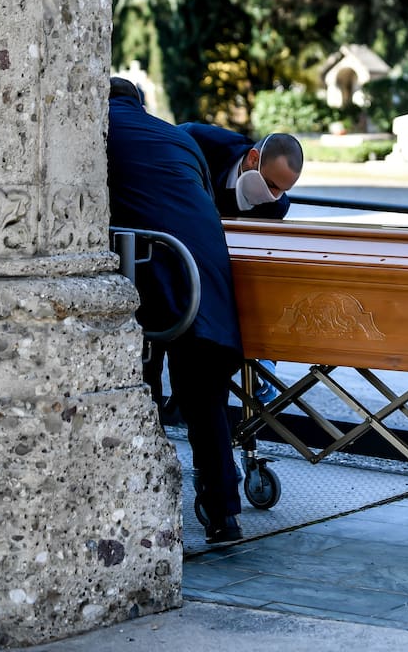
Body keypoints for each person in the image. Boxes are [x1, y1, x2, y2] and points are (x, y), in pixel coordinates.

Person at [106, 77, 302, 544]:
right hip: (210, 285)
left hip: (155, 278)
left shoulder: (102, 130)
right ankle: (224, 517)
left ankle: (139, 502)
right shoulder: (179, 137)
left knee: (143, 392)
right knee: (206, 405)